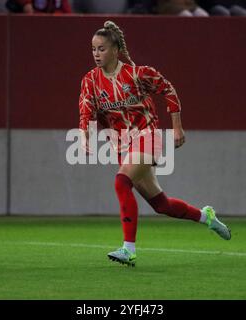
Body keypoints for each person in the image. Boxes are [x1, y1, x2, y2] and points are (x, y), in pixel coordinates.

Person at [78, 21, 231, 267]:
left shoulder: (138, 74)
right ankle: (207, 217)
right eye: (93, 49)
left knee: (121, 182)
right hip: (121, 145)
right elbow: (85, 111)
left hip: (146, 136)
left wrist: (177, 126)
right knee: (161, 204)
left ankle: (129, 249)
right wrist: (85, 136)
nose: (96, 54)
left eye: (102, 49)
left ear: (115, 50)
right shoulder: (90, 81)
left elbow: (168, 91)